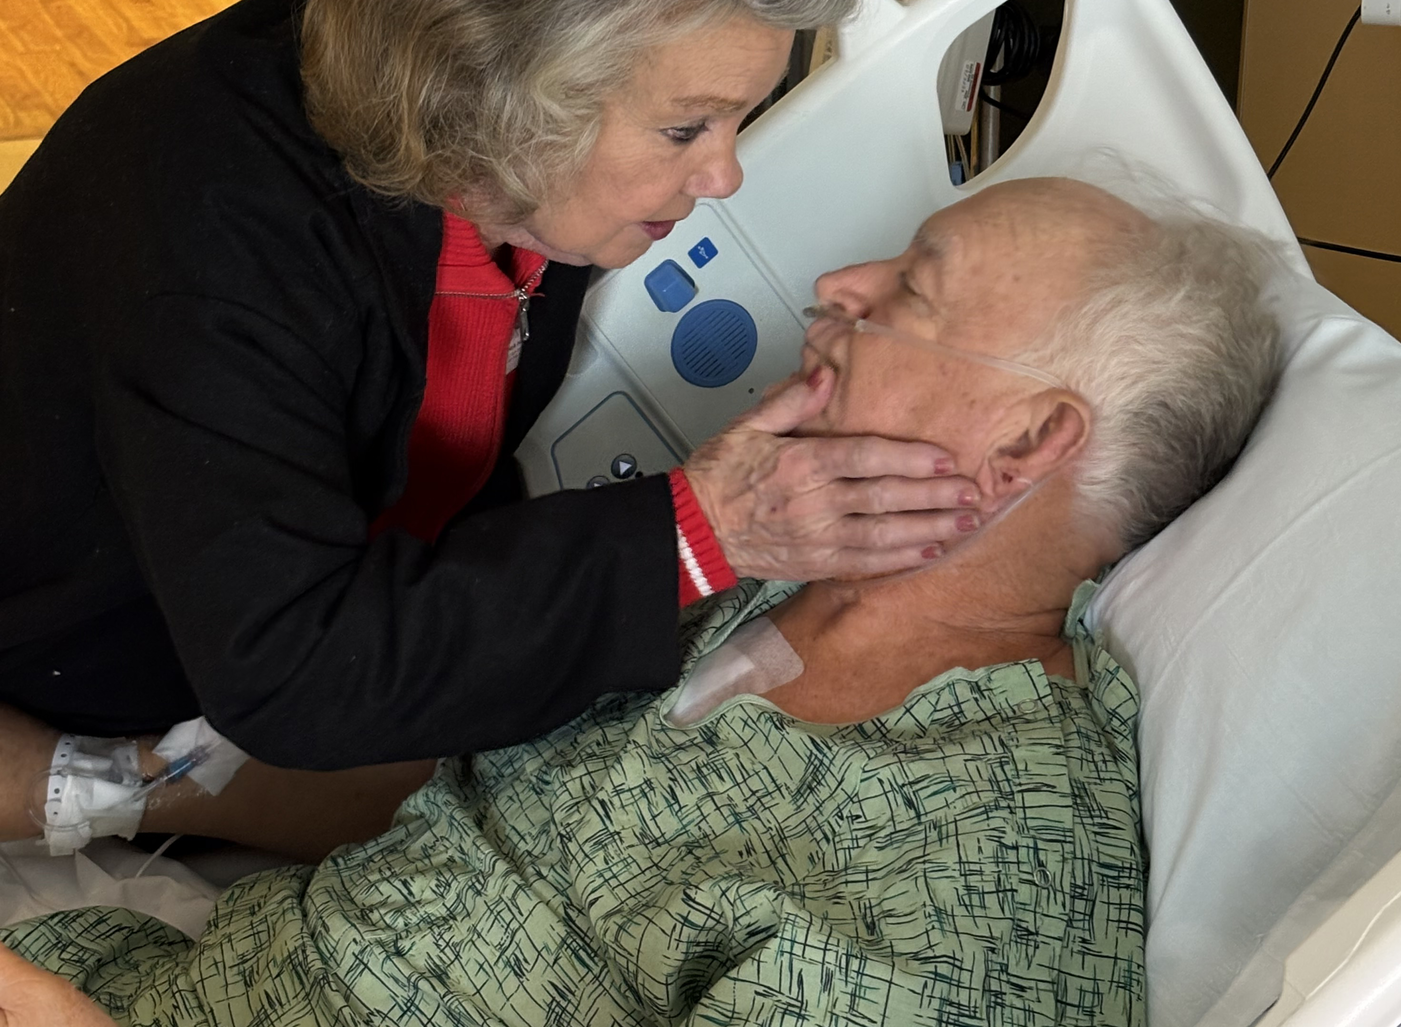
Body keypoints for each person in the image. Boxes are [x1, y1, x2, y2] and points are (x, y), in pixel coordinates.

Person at [0, 177, 1284, 1027]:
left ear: (1024, 446)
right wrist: (84, 784)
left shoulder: (981, 874)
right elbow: (471, 817)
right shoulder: (747, 592)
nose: (841, 281)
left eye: (914, 291)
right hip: (176, 980)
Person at [0, 0, 983, 816]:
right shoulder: (202, 217)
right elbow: (291, 670)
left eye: (742, 117)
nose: (723, 176)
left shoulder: (505, 178)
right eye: (686, 127)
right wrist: (698, 533)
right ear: (502, 89)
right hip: (79, 654)